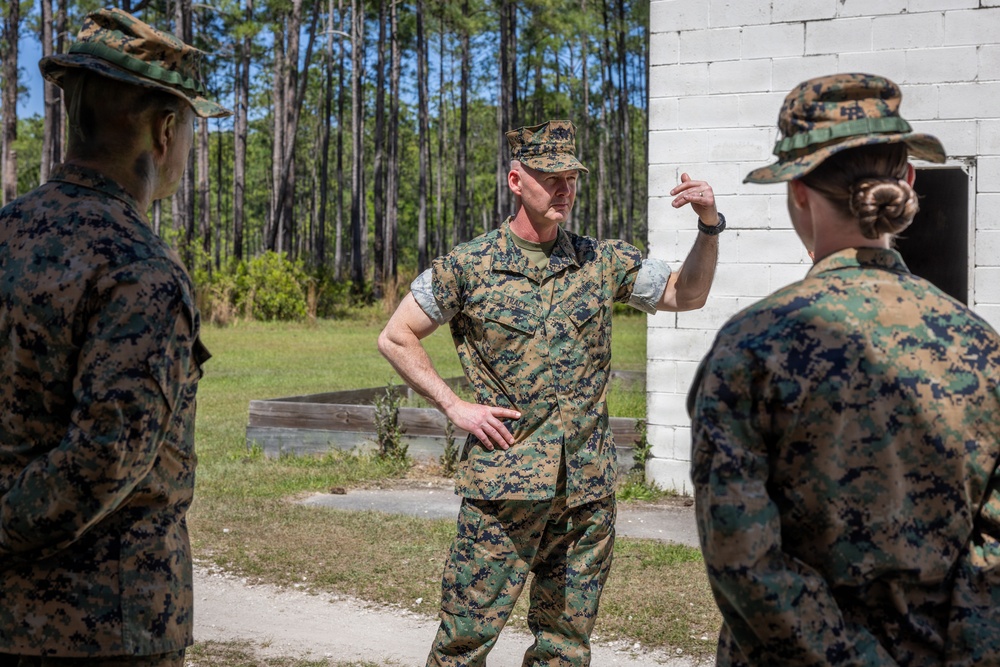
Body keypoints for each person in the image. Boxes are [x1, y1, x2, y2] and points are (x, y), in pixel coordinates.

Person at [379, 119, 725, 666]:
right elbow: (395, 336)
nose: (564, 189)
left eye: (572, 178)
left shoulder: (600, 261)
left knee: (565, 648)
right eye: (550, 177)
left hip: (586, 491)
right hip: (505, 487)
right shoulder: (468, 266)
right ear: (517, 181)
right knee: (463, 645)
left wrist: (709, 225)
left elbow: (690, 293)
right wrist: (455, 406)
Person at [688, 72, 1000, 666]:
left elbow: (743, 559)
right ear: (908, 178)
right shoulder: (982, 348)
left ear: (798, 189)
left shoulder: (753, 346)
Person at [0, 8, 230, 666]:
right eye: (188, 127)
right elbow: (104, 458)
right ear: (164, 131)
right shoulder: (140, 269)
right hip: (104, 629)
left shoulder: (6, 235)